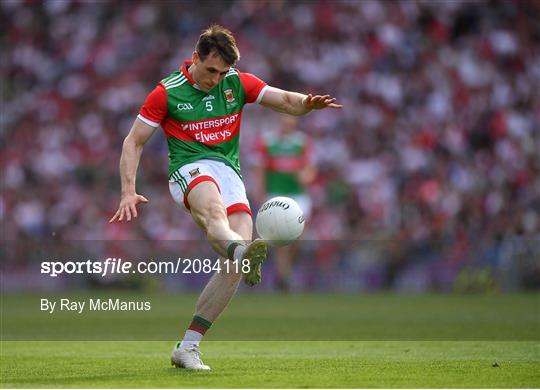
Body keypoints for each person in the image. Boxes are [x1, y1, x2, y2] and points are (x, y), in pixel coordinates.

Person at [109, 25, 341, 370]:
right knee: (215, 214)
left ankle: (188, 346)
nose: (216, 79)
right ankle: (240, 251)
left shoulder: (237, 82)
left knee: (233, 266)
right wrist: (128, 189)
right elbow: (134, 141)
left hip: (229, 172)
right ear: (194, 59)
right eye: (210, 70)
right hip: (189, 168)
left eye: (222, 72)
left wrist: (307, 104)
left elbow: (285, 101)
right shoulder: (166, 92)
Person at [254, 114, 316, 291]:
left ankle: (285, 271)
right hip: (275, 194)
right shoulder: (267, 141)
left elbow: (310, 168)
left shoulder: (302, 142)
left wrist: (306, 177)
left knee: (299, 238)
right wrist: (260, 191)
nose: (287, 125)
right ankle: (284, 279)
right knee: (280, 239)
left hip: (298, 196)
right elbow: (259, 168)